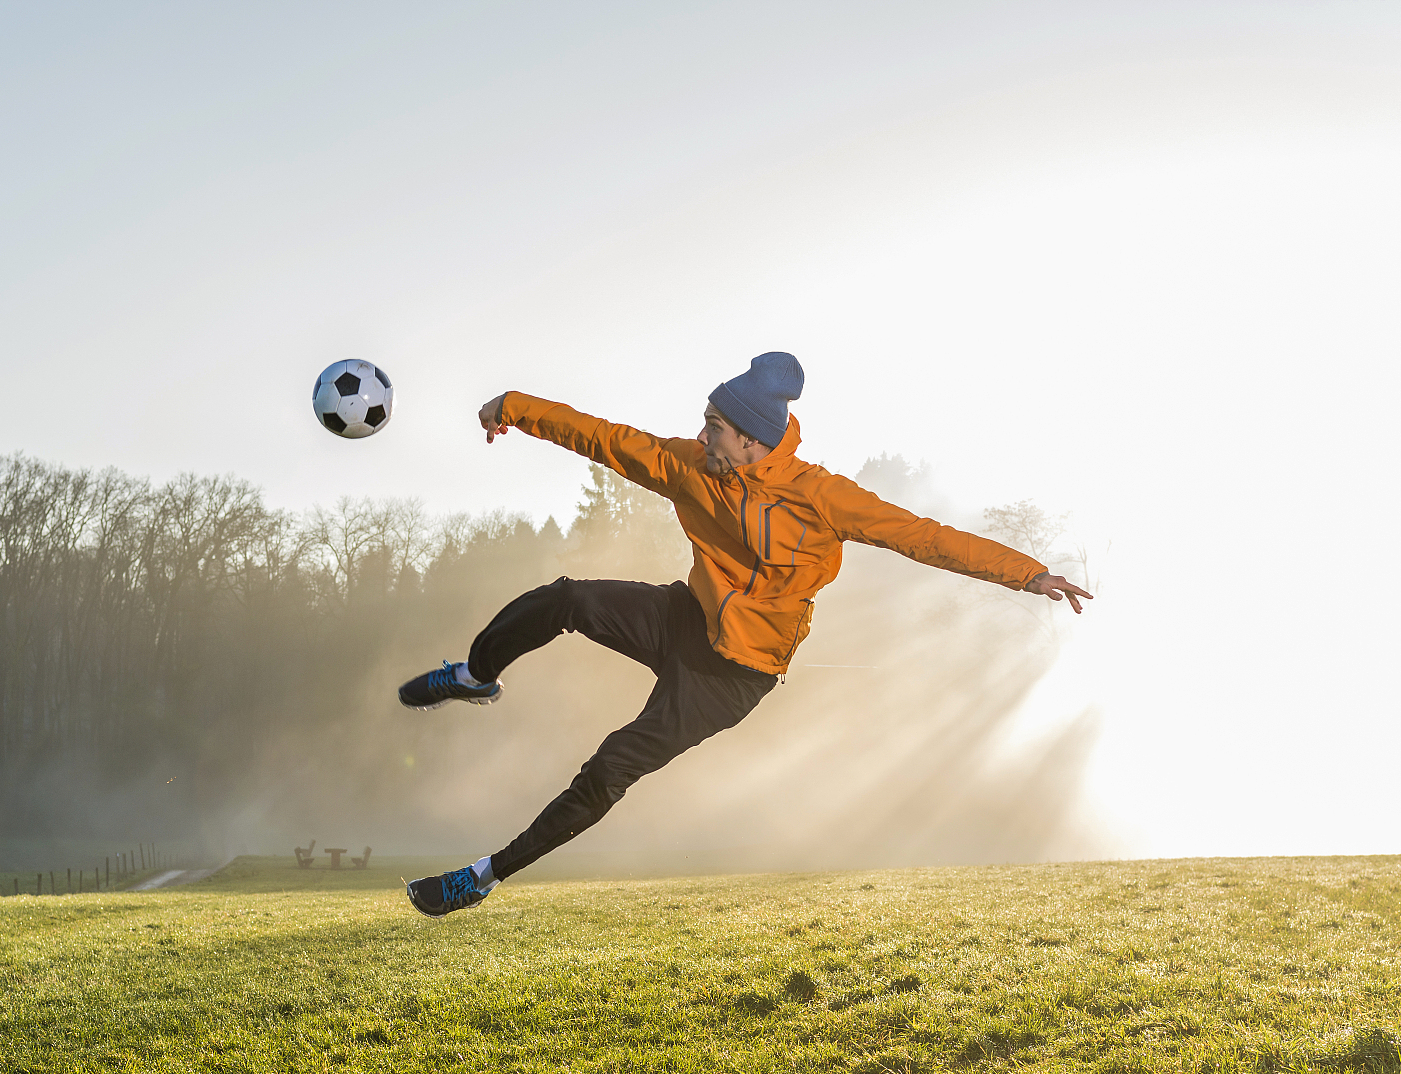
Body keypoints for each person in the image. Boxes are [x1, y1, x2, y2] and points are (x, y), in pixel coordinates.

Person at [397, 352, 1092, 916]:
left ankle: (485, 874)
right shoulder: (691, 466)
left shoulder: (821, 497)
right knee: (565, 599)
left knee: (611, 766)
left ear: (752, 440)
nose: (701, 437)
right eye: (704, 422)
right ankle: (476, 674)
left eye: (714, 428)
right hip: (684, 617)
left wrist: (1028, 575)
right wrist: (513, 407)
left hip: (735, 676)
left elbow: (923, 537)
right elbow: (603, 438)